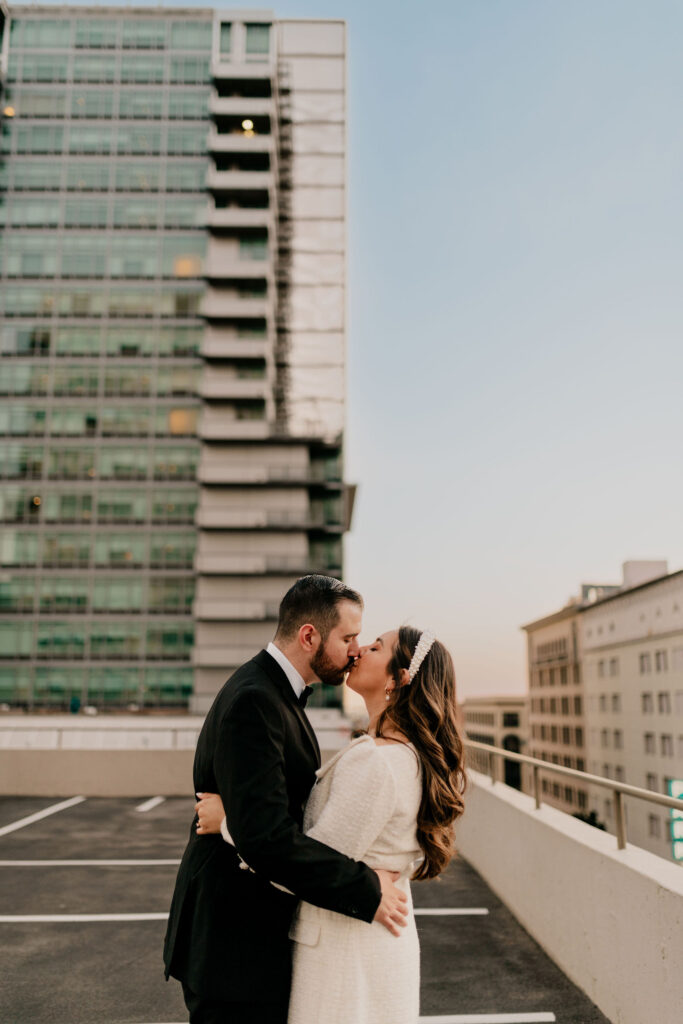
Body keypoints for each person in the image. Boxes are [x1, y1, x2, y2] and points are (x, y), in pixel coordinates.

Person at [163, 575, 410, 1024]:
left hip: (250, 943)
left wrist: (230, 819)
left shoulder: (278, 695)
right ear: (309, 635)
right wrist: (366, 888)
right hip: (233, 946)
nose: (356, 649)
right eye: (349, 637)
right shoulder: (255, 701)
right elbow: (266, 838)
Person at [196, 624, 467, 1024]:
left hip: (346, 954)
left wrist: (229, 822)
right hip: (372, 943)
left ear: (399, 678)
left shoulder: (377, 761)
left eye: (375, 647)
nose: (359, 651)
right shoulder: (407, 757)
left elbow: (306, 865)